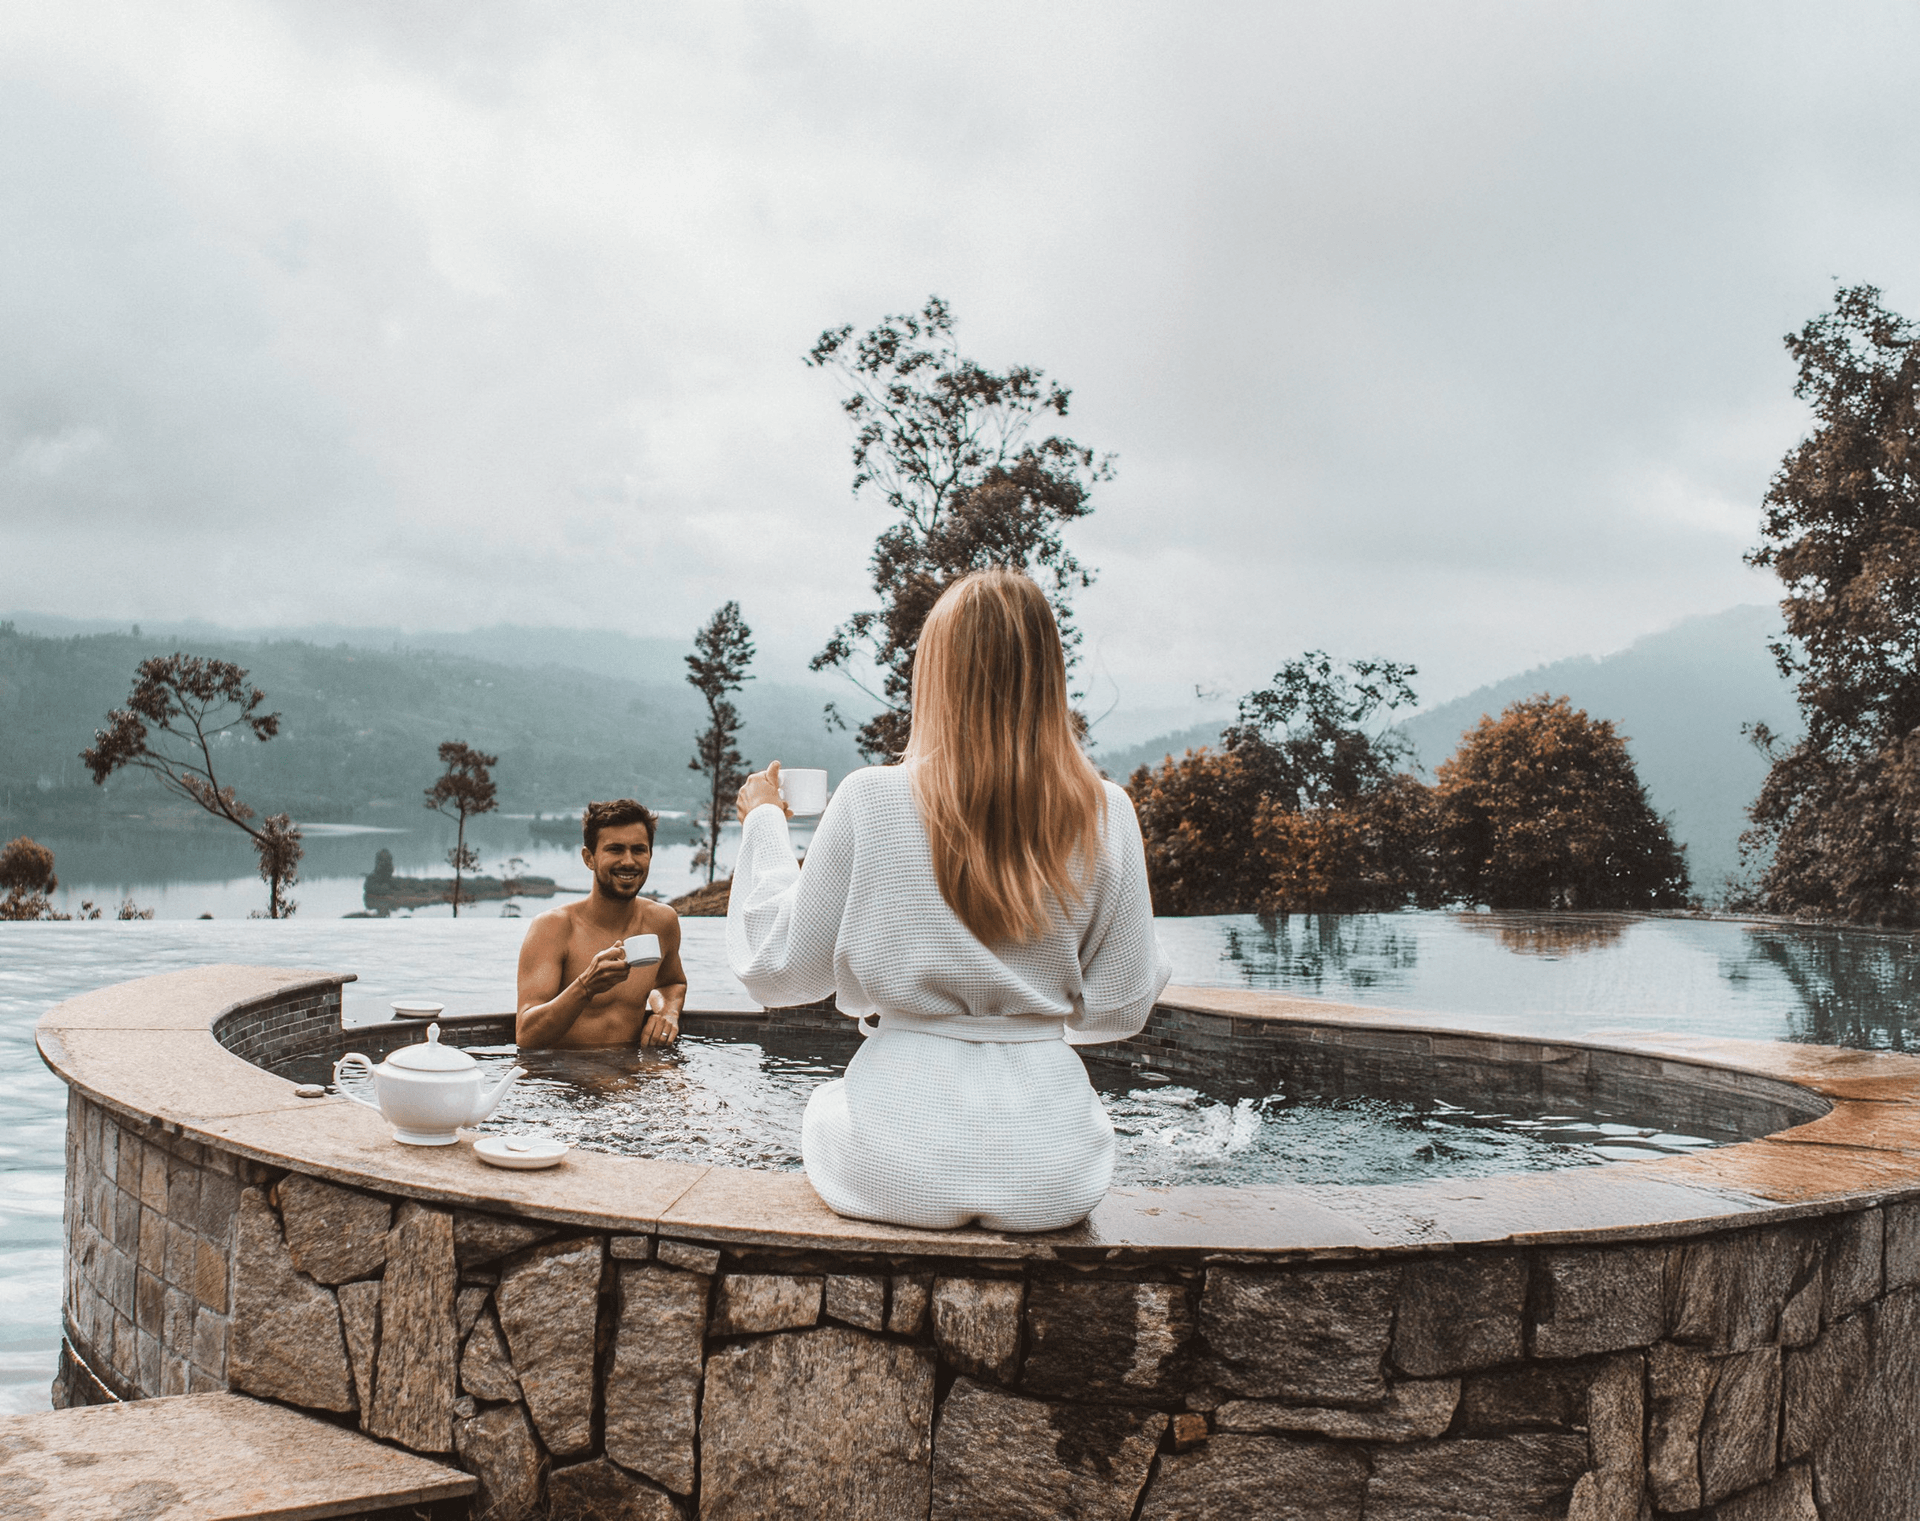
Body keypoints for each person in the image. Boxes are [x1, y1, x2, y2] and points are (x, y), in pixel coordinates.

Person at [727, 568, 1170, 1232]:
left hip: (897, 1162)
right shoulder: (1106, 812)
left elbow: (779, 968)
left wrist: (763, 820)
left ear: (935, 674)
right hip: (1052, 1174)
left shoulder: (871, 799)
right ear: (1049, 675)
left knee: (826, 1108)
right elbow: (1123, 1006)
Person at [517, 799, 689, 1049]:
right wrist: (586, 986)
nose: (629, 861)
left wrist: (667, 1014)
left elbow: (671, 983)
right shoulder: (553, 928)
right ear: (589, 858)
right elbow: (526, 1036)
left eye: (639, 850)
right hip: (566, 1076)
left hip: (633, 1070)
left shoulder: (662, 921)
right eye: (615, 849)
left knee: (688, 1086)